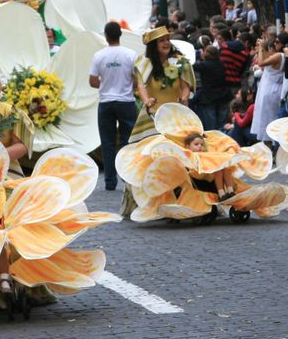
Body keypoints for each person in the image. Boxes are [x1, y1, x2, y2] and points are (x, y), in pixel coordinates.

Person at [119, 27, 195, 217]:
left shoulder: (180, 62)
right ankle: (150, 199)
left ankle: (186, 197)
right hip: (152, 116)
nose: (166, 43)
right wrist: (146, 101)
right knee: (146, 156)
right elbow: (141, 86)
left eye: (168, 39)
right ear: (153, 45)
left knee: (185, 154)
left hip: (175, 115)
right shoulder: (143, 64)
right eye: (162, 40)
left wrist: (184, 98)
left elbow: (186, 86)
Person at [90, 22, 148, 191]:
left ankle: (110, 181)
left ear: (106, 36)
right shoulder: (130, 55)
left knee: (107, 142)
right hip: (126, 102)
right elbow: (138, 80)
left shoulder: (99, 56)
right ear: (120, 35)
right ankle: (127, 178)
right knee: (127, 142)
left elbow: (93, 81)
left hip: (106, 102)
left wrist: (105, 83)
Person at [250, 33, 288, 143]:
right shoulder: (275, 56)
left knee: (269, 120)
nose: (275, 44)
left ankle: (272, 146)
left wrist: (262, 47)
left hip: (272, 91)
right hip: (267, 90)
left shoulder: (279, 56)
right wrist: (264, 45)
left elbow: (261, 63)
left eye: (277, 42)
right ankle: (269, 147)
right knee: (264, 120)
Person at [192, 45, 232, 133]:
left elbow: (192, 65)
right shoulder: (222, 64)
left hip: (209, 98)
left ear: (208, 53)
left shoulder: (204, 65)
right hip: (224, 95)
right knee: (222, 123)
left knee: (211, 126)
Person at [184, 132, 233, 200]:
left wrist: (207, 135)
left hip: (211, 174)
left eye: (202, 144)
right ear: (188, 147)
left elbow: (212, 142)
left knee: (224, 166)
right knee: (218, 167)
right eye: (196, 144)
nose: (200, 146)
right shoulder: (190, 155)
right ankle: (221, 192)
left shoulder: (205, 153)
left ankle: (230, 191)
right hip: (199, 174)